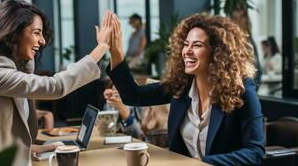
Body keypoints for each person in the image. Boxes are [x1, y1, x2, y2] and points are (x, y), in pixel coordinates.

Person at [0, 0, 113, 166]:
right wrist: (102, 47)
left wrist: (34, 149)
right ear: (14, 33)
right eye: (37, 33)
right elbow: (55, 86)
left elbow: (3, 129)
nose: (43, 41)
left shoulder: (9, 68)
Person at [108, 13, 265, 165]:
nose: (187, 51)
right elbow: (134, 96)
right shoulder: (180, 87)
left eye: (197, 45)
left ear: (217, 53)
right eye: (185, 44)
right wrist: (116, 52)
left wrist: (199, 163)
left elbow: (254, 152)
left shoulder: (241, 92)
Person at [228, 0, 262, 90]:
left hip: (249, 82)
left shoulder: (248, 38)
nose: (241, 13)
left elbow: (257, 68)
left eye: (242, 10)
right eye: (238, 9)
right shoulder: (229, 35)